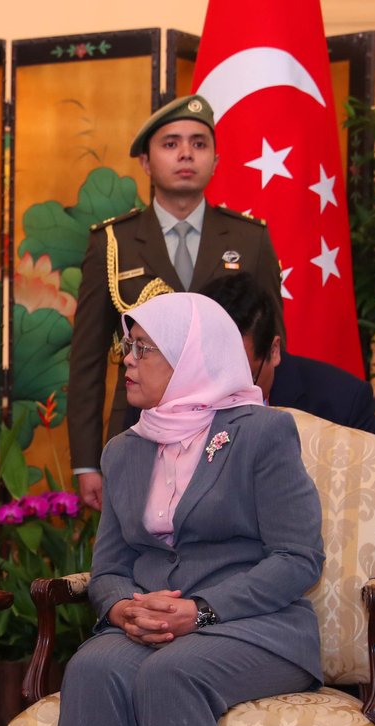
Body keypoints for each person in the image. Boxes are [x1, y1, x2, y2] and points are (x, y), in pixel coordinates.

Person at [55, 292, 324, 726]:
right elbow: (110, 568)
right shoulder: (123, 450)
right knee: (90, 669)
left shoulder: (261, 433)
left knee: (170, 675)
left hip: (253, 627)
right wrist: (124, 609)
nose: (128, 360)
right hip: (155, 627)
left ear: (190, 357)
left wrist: (199, 611)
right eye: (128, 347)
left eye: (143, 348)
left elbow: (298, 558)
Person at [67, 94, 283, 511]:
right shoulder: (113, 241)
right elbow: (87, 361)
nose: (186, 153)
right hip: (136, 428)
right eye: (171, 144)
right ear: (146, 162)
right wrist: (86, 462)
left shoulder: (250, 239)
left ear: (216, 160)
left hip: (230, 429)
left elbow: (270, 347)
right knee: (139, 537)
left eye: (199, 144)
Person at [201, 272, 375, 437]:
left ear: (273, 351)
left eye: (244, 380)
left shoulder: (344, 403)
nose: (228, 395)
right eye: (215, 376)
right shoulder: (186, 395)